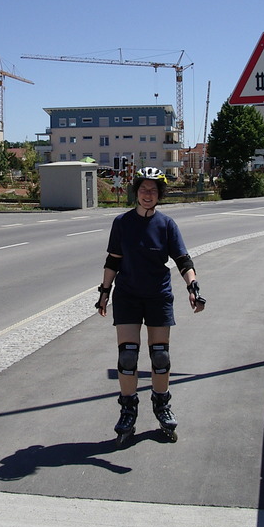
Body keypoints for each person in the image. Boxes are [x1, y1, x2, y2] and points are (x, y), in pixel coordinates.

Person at [96, 166, 206, 444]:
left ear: (160, 195)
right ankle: (128, 410)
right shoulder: (122, 222)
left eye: (153, 191)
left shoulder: (166, 225)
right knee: (128, 356)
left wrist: (192, 287)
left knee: (160, 356)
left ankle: (162, 405)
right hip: (128, 296)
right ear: (137, 192)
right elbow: (113, 260)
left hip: (158, 296)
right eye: (144, 189)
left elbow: (183, 260)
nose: (148, 194)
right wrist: (104, 292)